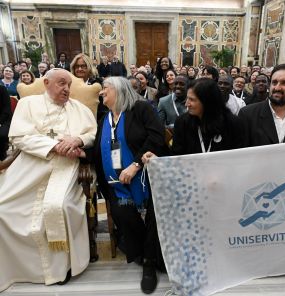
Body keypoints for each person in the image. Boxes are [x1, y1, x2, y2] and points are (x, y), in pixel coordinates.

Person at [0, 68, 97, 291]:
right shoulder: (28, 104)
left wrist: (78, 140)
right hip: (30, 165)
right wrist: (54, 146)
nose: (67, 89)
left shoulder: (79, 109)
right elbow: (19, 137)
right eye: (62, 83)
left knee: (58, 206)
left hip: (65, 167)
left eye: (69, 85)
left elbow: (91, 134)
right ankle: (18, 269)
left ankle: (61, 268)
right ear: (46, 82)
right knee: (3, 208)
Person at [93, 77, 167, 294]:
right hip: (116, 184)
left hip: (147, 176)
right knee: (122, 213)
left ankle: (149, 263)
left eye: (105, 88)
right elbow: (99, 149)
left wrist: (135, 165)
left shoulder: (140, 109)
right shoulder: (104, 118)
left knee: (153, 214)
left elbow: (157, 137)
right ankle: (149, 252)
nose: (101, 92)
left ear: (119, 89)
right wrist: (79, 149)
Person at [144, 77, 244, 156]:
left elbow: (238, 157)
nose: (187, 104)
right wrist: (156, 159)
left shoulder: (233, 123)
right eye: (187, 98)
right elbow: (176, 156)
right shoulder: (182, 122)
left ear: (208, 101)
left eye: (192, 100)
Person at [70, 53, 107, 120]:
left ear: (89, 67)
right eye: (77, 66)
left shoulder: (98, 84)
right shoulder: (69, 84)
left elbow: (103, 109)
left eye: (83, 66)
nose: (79, 69)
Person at [0, 84, 11, 160]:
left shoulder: (2, 89)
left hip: (4, 119)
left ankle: (2, 155)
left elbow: (7, 108)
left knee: (2, 134)